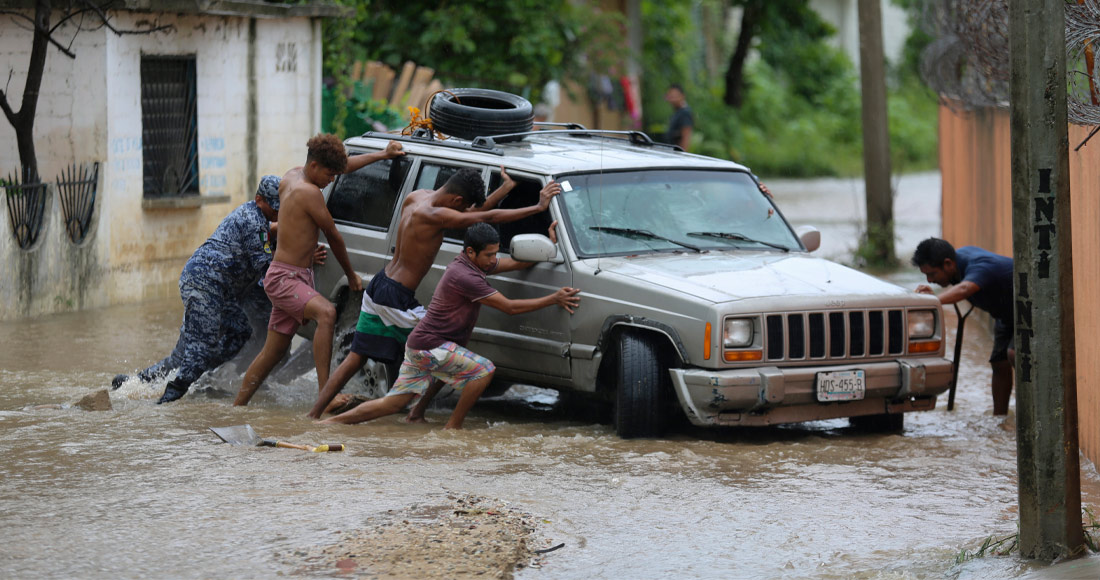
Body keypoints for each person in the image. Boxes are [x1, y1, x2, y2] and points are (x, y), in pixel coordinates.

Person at [306, 167, 561, 419]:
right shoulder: (435, 215)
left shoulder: (417, 196)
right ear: (457, 200)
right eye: (462, 207)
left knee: (356, 357)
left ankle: (314, 414)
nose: (463, 212)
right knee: (445, 345)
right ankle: (414, 411)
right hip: (396, 298)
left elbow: (473, 214)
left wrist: (504, 189)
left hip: (380, 284)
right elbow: (486, 217)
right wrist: (538, 208)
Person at [320, 223, 580, 428]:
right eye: (489, 254)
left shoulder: (472, 265)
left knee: (392, 404)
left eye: (494, 253)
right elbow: (509, 307)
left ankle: (333, 423)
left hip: (424, 345)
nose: (493, 259)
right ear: (471, 253)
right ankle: (453, 427)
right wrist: (554, 298)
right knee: (483, 371)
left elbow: (514, 262)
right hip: (429, 347)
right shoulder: (466, 276)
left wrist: (548, 248)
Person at [233, 135, 401, 406]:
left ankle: (237, 407)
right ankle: (326, 397)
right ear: (314, 167)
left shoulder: (292, 176)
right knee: (327, 313)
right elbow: (333, 235)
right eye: (330, 174)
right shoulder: (308, 192)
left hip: (288, 274)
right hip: (285, 277)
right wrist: (351, 275)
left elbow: (344, 167)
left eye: (336, 173)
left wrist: (383, 155)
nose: (333, 180)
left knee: (271, 354)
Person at [111, 176, 283, 404]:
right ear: (258, 199)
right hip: (205, 284)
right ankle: (165, 401)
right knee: (202, 348)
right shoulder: (254, 222)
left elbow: (271, 232)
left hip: (214, 287)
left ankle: (136, 383)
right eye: (274, 207)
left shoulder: (255, 215)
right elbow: (266, 268)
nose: (277, 212)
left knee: (235, 333)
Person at [912, 237, 1015, 415]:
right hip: (1005, 315)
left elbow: (964, 289)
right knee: (999, 363)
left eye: (932, 274)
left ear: (948, 264)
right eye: (926, 275)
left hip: (1027, 306)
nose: (929, 280)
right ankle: (1000, 418)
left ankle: (1035, 414)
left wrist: (933, 301)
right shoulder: (955, 261)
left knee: (1013, 354)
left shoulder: (980, 266)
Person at [665, 84, 694, 151]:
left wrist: (681, 156)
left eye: (674, 96)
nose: (672, 99)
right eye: (670, 96)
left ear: (682, 96)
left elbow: (686, 138)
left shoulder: (685, 113)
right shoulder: (677, 113)